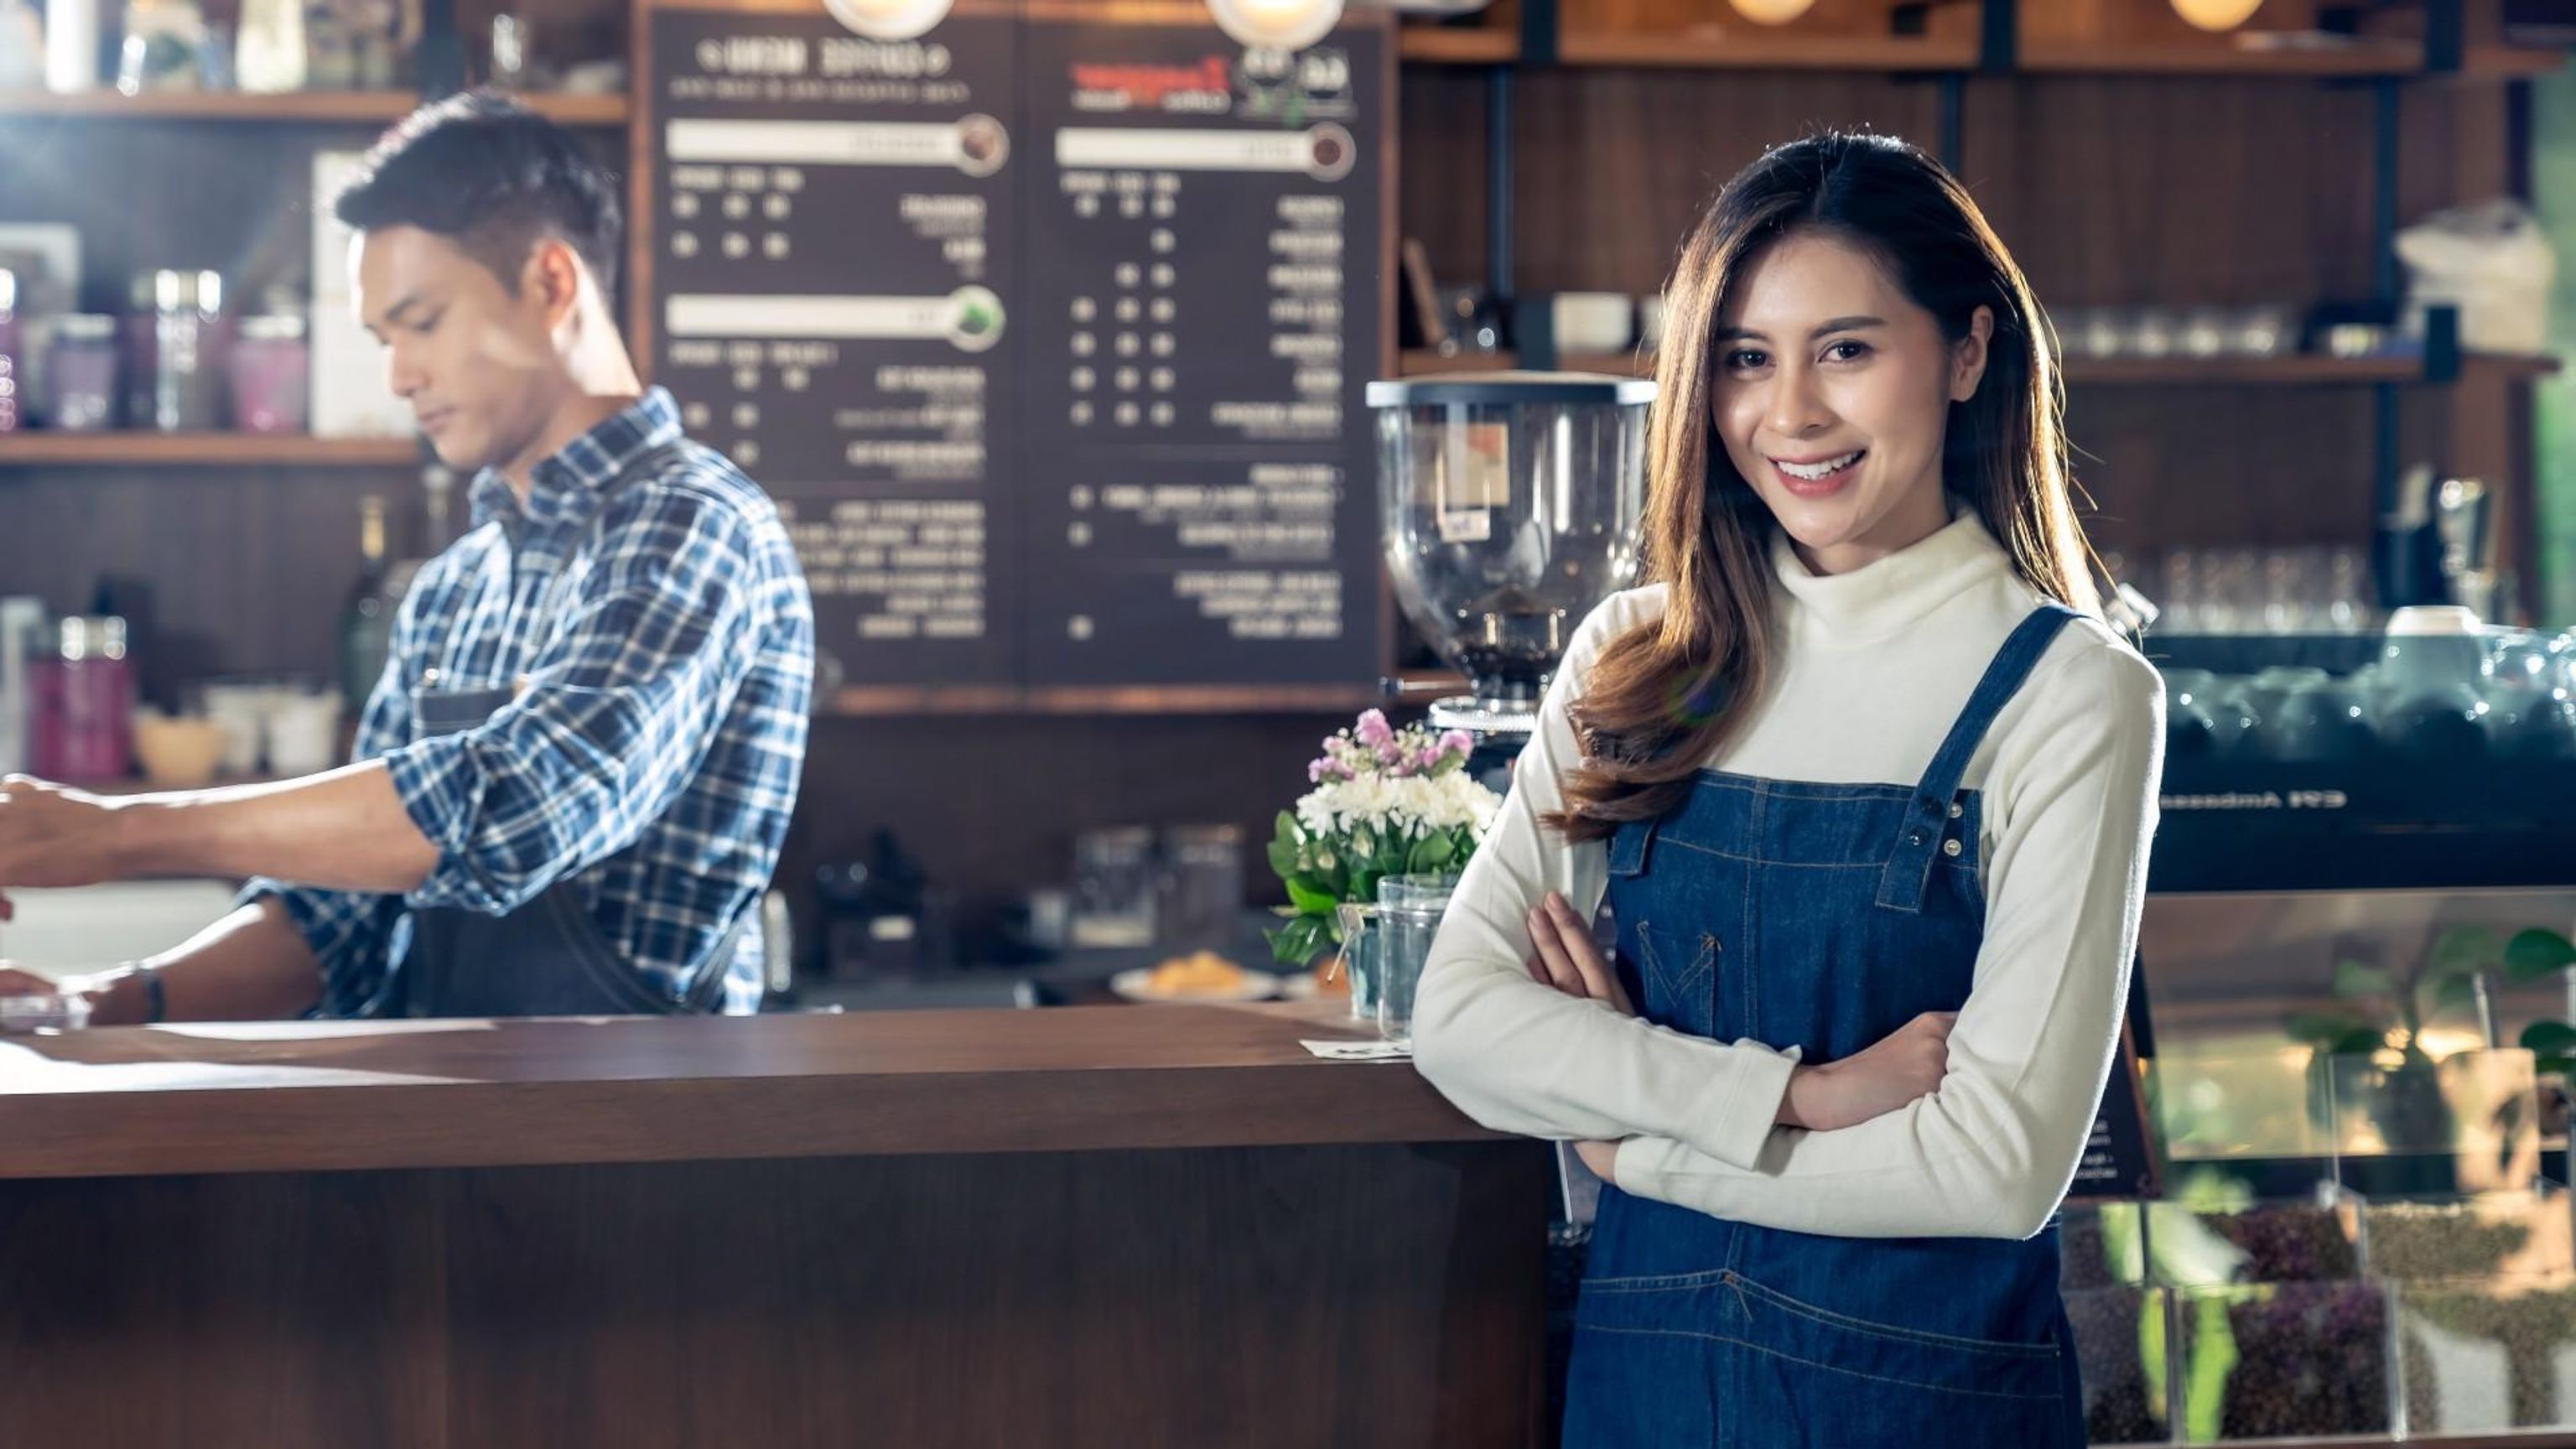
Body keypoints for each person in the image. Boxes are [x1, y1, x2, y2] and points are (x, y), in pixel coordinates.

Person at [1408, 131, 2164, 1446]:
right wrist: (1798, 1101)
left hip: (1925, 1412)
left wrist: (1635, 1148)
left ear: (1969, 354)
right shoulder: (1636, 659)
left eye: (1848, 350)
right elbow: (1461, 1022)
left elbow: (1995, 1169)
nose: (1791, 415)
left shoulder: (2069, 693)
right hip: (1644, 1397)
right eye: (1747, 359)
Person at [0, 93, 815, 1022]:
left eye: (421, 323)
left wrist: (116, 834)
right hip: (438, 1135)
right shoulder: (455, 588)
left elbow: (518, 802)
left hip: (634, 1142)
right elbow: (333, 920)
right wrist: (100, 1003)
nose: (398, 377)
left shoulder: (694, 527)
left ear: (551, 284)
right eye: (384, 340)